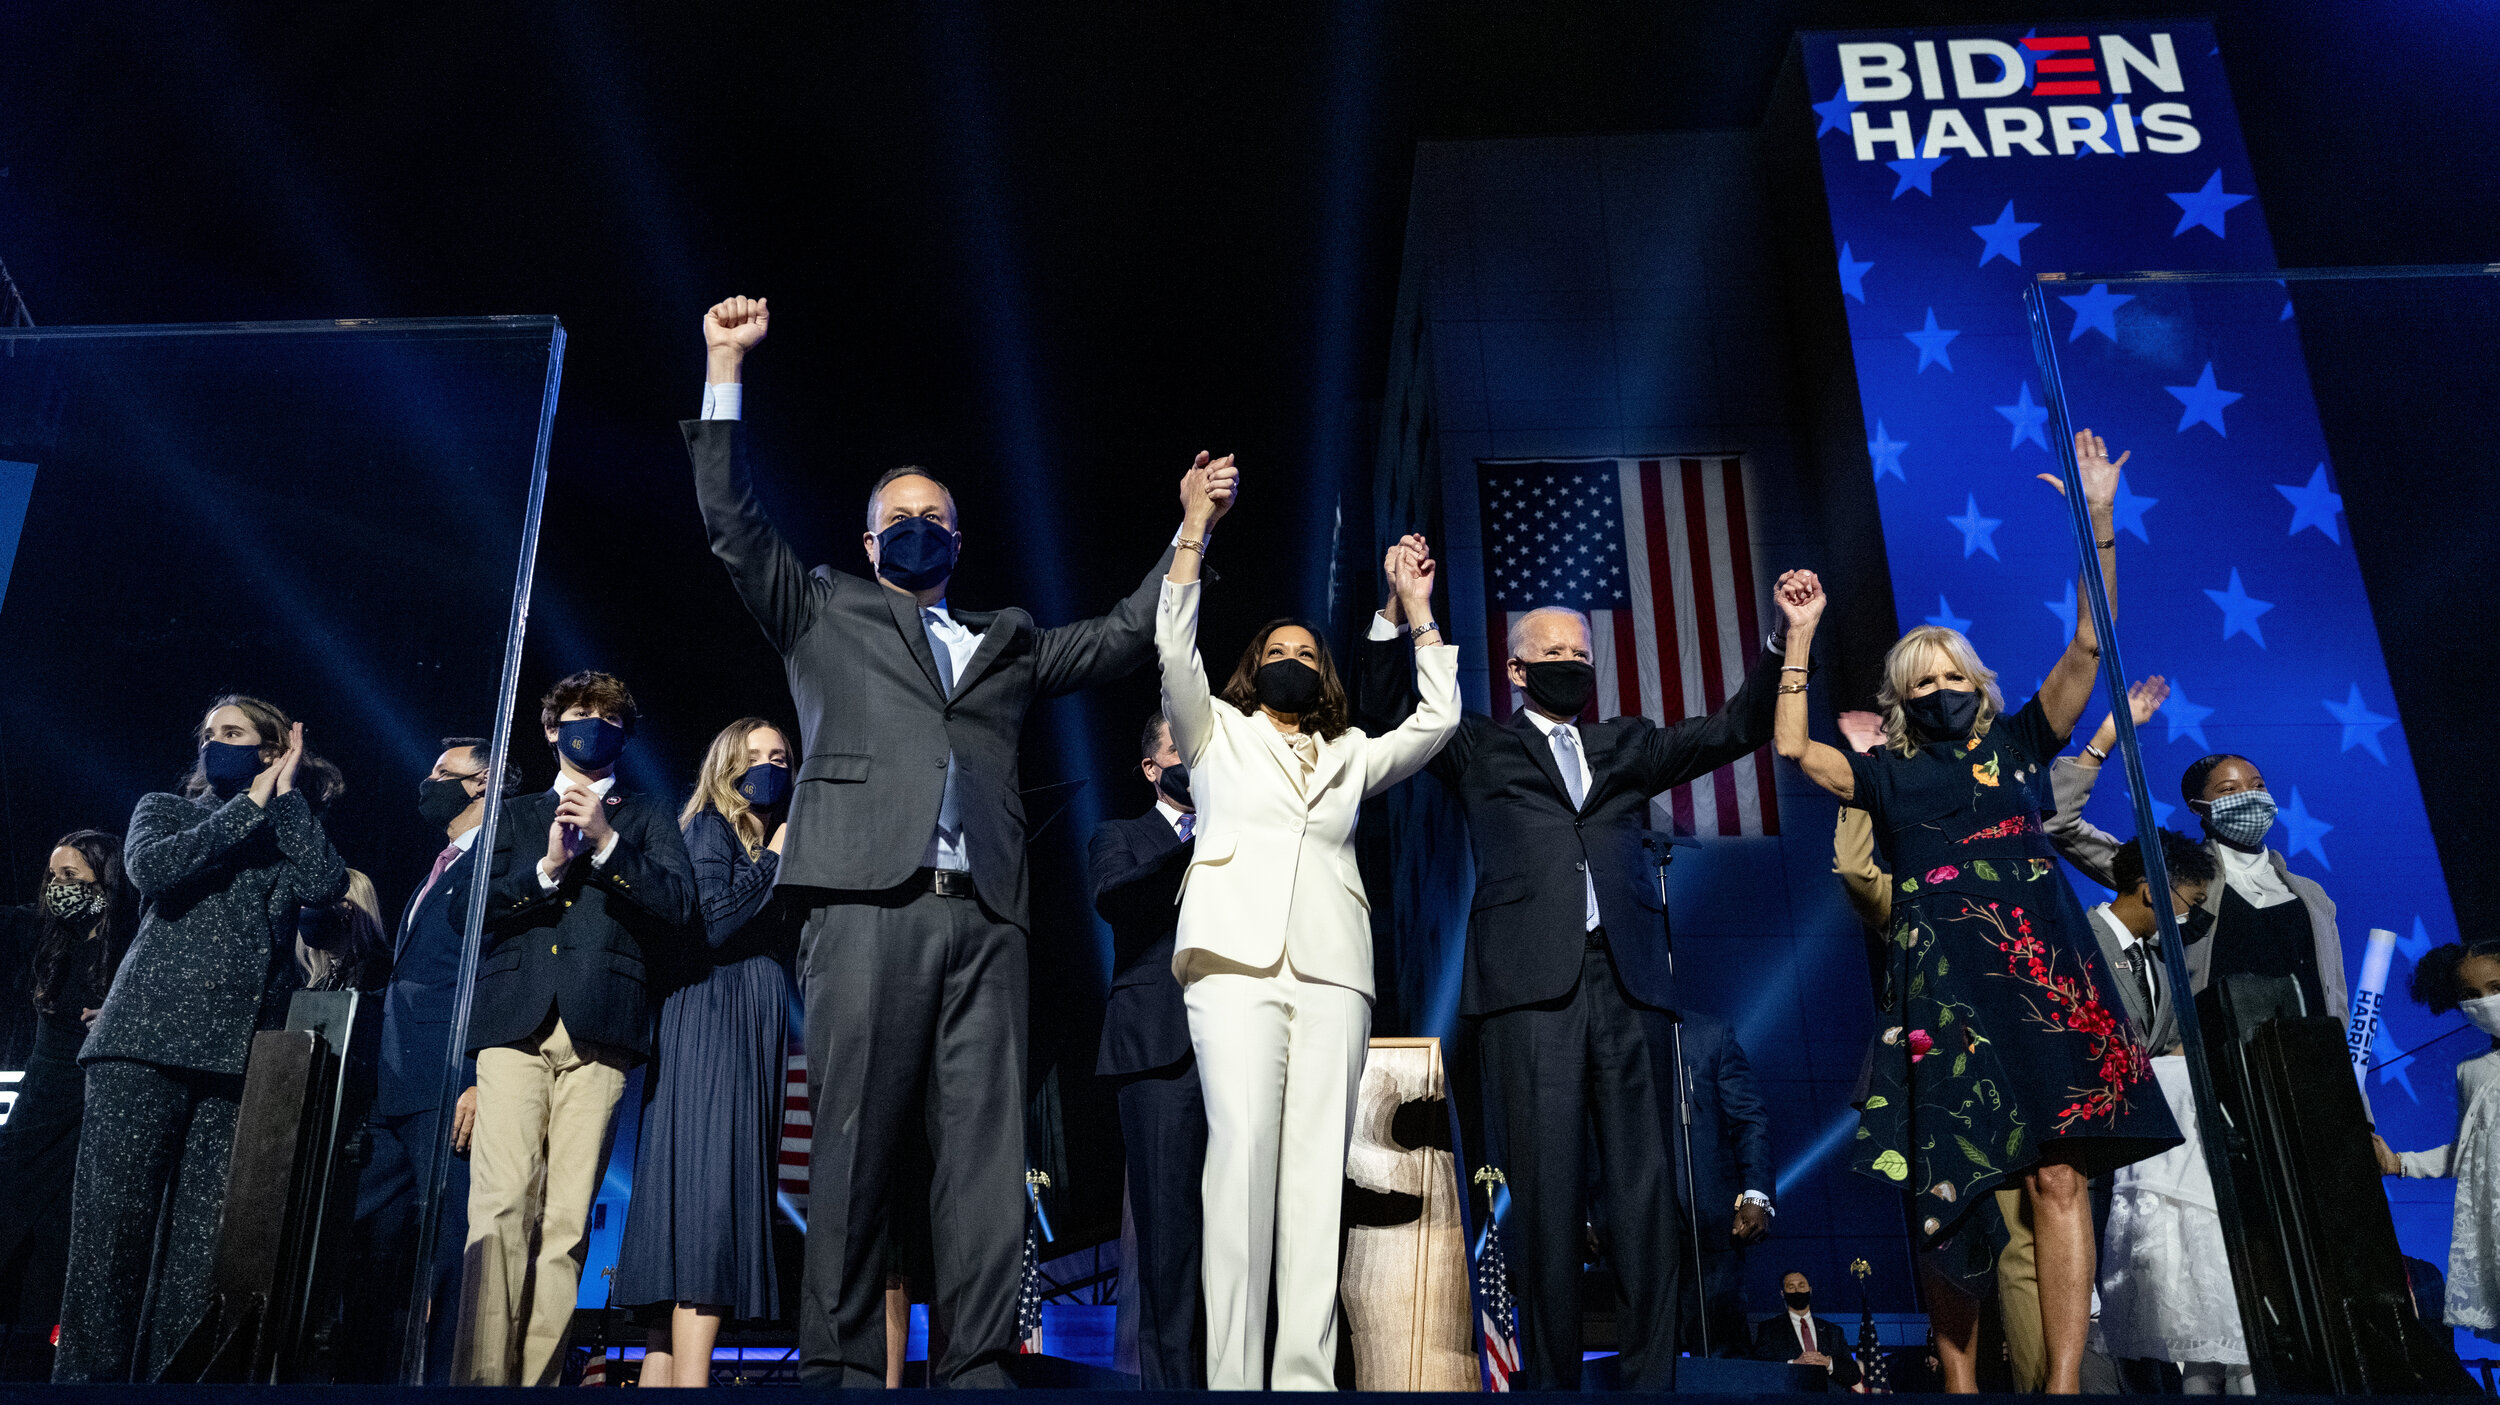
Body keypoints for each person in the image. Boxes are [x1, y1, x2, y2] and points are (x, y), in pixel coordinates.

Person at [687, 294, 1219, 1388]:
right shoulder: (821, 606)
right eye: (900, 515)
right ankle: (835, 1362)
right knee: (853, 1142)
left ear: (958, 539)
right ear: (870, 537)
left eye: (937, 514)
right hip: (860, 901)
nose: (919, 526)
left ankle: (975, 1359)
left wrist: (1191, 531)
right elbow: (734, 523)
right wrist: (724, 367)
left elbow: (1123, 636)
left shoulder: (1008, 638)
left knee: (984, 1151)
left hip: (985, 913)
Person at [1771, 430, 2179, 1396]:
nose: (1944, 688)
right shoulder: (1886, 773)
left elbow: (2090, 643)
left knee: (2062, 1180)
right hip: (1945, 995)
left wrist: (2100, 520)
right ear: (1902, 700)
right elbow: (1794, 749)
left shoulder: (2026, 747)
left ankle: (2065, 1384)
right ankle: (1960, 1386)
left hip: (2043, 982)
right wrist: (1800, 636)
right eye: (1924, 680)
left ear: (1980, 685)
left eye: (1956, 674)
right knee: (1945, 1198)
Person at [1353, 538, 1802, 1392]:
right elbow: (1385, 710)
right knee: (1549, 1195)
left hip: (1628, 984)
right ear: (1516, 670)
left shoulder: (1627, 744)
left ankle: (1649, 1380)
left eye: (1578, 654)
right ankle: (1553, 1383)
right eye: (1550, 653)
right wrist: (1405, 609)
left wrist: (1786, 640)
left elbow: (1733, 727)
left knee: (1645, 1192)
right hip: (1530, 992)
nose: (1568, 663)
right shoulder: (1475, 744)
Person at [1157, 492, 1455, 1388]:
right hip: (1232, 966)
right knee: (1241, 1160)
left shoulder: (1352, 751)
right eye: (1275, 651)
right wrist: (1193, 533)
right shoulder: (1215, 734)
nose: (1290, 659)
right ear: (1252, 669)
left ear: (1325, 675)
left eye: (1306, 652)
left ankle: (1304, 1378)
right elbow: (1174, 649)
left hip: (1333, 974)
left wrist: (1420, 616)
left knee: (1318, 1177)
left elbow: (1436, 724)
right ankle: (1235, 1378)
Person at [55, 696, 346, 1382]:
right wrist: (246, 803)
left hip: (233, 1059)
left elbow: (325, 882)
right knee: (112, 1243)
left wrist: (284, 797)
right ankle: (83, 1391)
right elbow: (155, 871)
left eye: (235, 733)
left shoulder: (281, 828)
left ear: (271, 749)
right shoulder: (163, 807)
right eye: (210, 734)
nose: (217, 742)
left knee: (196, 1257)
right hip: (142, 1045)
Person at [459, 671, 696, 1387]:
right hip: (513, 1025)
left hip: (603, 1028)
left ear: (625, 732)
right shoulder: (514, 813)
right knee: (499, 1209)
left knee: (564, 1227)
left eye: (606, 716)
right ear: (550, 727)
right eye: (577, 714)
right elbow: (464, 913)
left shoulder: (648, 813)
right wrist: (547, 868)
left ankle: (537, 1386)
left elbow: (680, 906)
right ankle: (477, 1383)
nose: (591, 724)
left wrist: (605, 844)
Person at [615, 717, 803, 1387]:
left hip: (745, 1025)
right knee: (707, 1200)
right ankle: (693, 1389)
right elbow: (714, 921)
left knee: (701, 1199)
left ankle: (668, 1383)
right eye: (756, 756)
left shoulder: (754, 840)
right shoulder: (709, 829)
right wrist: (778, 860)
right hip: (713, 1023)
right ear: (727, 765)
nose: (772, 767)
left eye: (781, 756)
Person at [344, 737, 512, 1384]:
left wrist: (478, 1073)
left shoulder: (497, 859)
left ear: (482, 783)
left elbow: (496, 972)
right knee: (369, 1239)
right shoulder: (439, 864)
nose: (428, 780)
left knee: (449, 1248)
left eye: (445, 772)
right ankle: (360, 1377)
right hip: (393, 1082)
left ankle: (445, 1381)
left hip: (447, 1081)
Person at [2044, 698, 2350, 1029]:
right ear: (2197, 807)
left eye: (2258, 786)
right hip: (2220, 1065)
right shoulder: (2172, 875)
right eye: (2229, 790)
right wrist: (2106, 737)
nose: (2250, 796)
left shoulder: (2312, 894)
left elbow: (2336, 997)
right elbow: (2059, 822)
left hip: (2316, 1064)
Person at [2085, 831, 2249, 1393]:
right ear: (2155, 889)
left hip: (2142, 1161)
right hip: (2090, 1152)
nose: (2195, 915)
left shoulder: (2160, 962)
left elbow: (2171, 1045)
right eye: (2193, 901)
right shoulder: (2078, 941)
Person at [1088, 711, 1207, 1389]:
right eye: (1179, 749)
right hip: (1159, 1049)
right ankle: (1170, 1387)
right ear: (1152, 768)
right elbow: (1117, 898)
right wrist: (1202, 845)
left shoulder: (1240, 835)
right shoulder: (1119, 836)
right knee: (1167, 1236)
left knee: (1236, 1229)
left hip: (1241, 1046)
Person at [0, 832, 134, 1349]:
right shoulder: (46, 934)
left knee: (64, 1224)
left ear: (106, 879)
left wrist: (120, 1014)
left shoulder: (134, 942)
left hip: (96, 1099)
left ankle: (45, 1342)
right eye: (53, 878)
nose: (59, 888)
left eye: (72, 877)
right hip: (43, 1096)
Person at [2372, 937, 2500, 1347]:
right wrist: (2400, 1163)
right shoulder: (2473, 1071)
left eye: (2496, 988)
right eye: (2470, 995)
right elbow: (2470, 1152)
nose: (2485, 1002)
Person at [1659, 1009, 1772, 1358]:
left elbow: (1748, 1117)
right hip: (1640, 1224)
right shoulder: (1612, 1032)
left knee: (1723, 1351)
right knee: (1651, 1359)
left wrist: (1756, 1194)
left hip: (1711, 1220)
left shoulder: (1710, 1033)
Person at [1750, 1270, 1862, 1389]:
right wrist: (1793, 1364)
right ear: (1782, 1293)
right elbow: (1760, 1370)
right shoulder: (1769, 1329)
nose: (1797, 1291)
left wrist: (1828, 1363)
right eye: (1791, 1287)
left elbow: (1854, 1375)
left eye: (1801, 1286)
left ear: (1810, 1290)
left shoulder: (1833, 1331)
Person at [296, 868, 392, 992]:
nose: (305, 909)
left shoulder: (384, 971)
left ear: (348, 907)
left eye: (315, 902)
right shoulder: (319, 980)